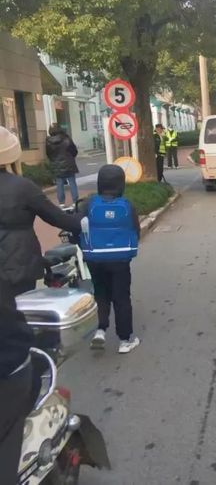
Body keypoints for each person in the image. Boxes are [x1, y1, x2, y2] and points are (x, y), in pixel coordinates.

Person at [0, 126, 81, 482]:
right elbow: (56, 217)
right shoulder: (21, 187)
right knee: (18, 332)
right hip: (18, 266)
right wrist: (81, 222)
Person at [83, 165, 141, 354]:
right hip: (120, 259)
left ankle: (100, 330)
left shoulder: (88, 204)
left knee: (100, 293)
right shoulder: (127, 205)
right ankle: (124, 340)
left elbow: (79, 227)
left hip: (95, 258)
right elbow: (136, 230)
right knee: (121, 297)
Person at [46, 123, 79, 208]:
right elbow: (74, 151)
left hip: (56, 165)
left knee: (59, 184)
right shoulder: (66, 138)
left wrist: (54, 161)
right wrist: (71, 157)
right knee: (72, 183)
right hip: (69, 164)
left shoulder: (48, 141)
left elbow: (48, 154)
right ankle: (75, 202)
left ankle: (61, 203)